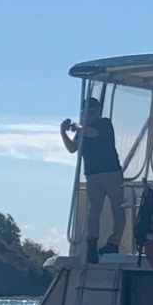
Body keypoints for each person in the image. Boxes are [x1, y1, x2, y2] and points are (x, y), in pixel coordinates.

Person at [61, 97, 125, 264]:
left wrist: (78, 127)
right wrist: (63, 132)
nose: (88, 115)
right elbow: (72, 148)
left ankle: (113, 242)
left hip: (112, 173)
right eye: (85, 113)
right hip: (92, 175)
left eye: (91, 112)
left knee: (118, 209)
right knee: (93, 210)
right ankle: (92, 243)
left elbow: (93, 133)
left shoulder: (104, 124)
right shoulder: (82, 130)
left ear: (98, 111)